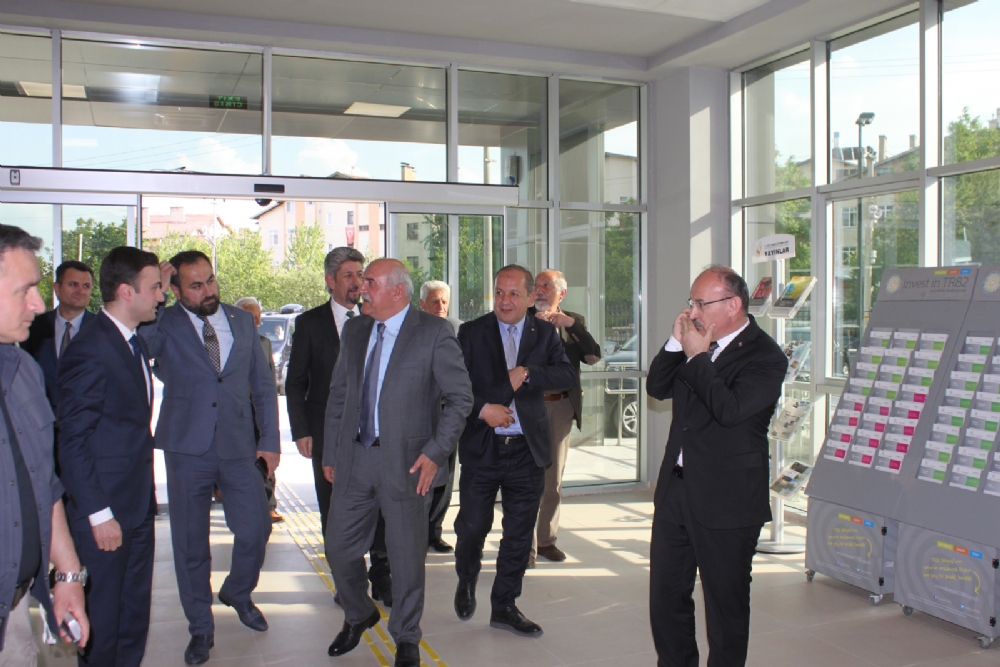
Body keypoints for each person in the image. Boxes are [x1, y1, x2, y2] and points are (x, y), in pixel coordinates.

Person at [322, 259, 472, 667]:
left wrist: (435, 452)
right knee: (338, 548)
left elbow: (461, 398)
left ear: (397, 291)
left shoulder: (434, 331)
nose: (361, 288)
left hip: (409, 464)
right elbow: (339, 395)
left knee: (406, 559)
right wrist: (332, 453)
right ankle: (359, 613)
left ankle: (406, 635)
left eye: (369, 282)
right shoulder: (356, 330)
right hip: (355, 459)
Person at [140, 251, 279, 666]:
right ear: (176, 290)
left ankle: (238, 590)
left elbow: (262, 384)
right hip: (187, 448)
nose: (208, 291)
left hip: (239, 446)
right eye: (196, 285)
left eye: (211, 281)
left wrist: (270, 441)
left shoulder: (241, 320)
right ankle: (200, 626)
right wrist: (155, 297)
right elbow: (140, 347)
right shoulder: (163, 322)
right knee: (190, 544)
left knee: (255, 528)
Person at [646, 265, 786, 667]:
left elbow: (729, 410)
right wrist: (676, 344)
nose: (692, 312)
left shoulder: (765, 356)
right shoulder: (693, 344)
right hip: (676, 490)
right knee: (666, 598)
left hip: (728, 499)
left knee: (726, 609)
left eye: (700, 303)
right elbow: (657, 387)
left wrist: (696, 356)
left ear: (733, 305)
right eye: (691, 302)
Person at [453, 265, 574, 638]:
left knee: (519, 534)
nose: (505, 301)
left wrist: (527, 372)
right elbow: (455, 385)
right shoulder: (472, 332)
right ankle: (467, 577)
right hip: (483, 446)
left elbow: (566, 374)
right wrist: (482, 409)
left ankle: (504, 605)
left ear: (530, 297)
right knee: (472, 526)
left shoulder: (544, 332)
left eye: (513, 294)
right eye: (499, 293)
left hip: (526, 449)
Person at [57, 246, 163, 667]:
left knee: (133, 616)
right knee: (102, 622)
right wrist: (98, 513)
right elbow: (72, 440)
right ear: (125, 291)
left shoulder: (130, 342)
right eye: (155, 288)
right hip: (106, 513)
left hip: (135, 507)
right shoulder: (91, 348)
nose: (161, 296)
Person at [0, 225, 90, 665]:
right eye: (25, 291)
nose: (38, 305)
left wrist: (68, 574)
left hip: (16, 608)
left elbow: (44, 482)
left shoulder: (24, 371)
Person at [285, 247, 393, 605]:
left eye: (360, 275)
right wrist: (302, 430)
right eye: (349, 275)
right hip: (327, 434)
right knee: (335, 509)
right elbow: (296, 383)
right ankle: (348, 583)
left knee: (380, 505)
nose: (357, 282)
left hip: (374, 433)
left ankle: (383, 575)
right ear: (330, 280)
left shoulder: (377, 318)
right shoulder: (310, 324)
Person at [527, 269, 602, 566]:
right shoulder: (523, 319)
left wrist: (571, 325)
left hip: (560, 407)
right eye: (536, 285)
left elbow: (593, 356)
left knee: (552, 480)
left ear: (562, 293)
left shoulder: (573, 322)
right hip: (529, 406)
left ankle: (546, 541)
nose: (539, 290)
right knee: (528, 479)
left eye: (546, 285)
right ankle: (525, 548)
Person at [417, 279, 461, 553]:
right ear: (422, 303)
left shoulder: (458, 330)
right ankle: (417, 531)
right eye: (434, 301)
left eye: (444, 301)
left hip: (449, 412)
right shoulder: (412, 331)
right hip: (420, 413)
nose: (440, 306)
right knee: (422, 472)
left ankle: (435, 531)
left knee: (446, 474)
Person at [22, 260, 96, 411]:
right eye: (73, 284)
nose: (80, 291)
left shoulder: (101, 329)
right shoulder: (33, 327)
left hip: (87, 417)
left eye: (86, 286)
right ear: (57, 288)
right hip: (41, 415)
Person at [234, 297, 281, 524]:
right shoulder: (229, 343)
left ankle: (268, 504)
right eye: (253, 318)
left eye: (259, 318)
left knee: (266, 458)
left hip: (259, 414)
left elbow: (269, 382)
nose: (258, 323)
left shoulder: (265, 343)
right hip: (235, 414)